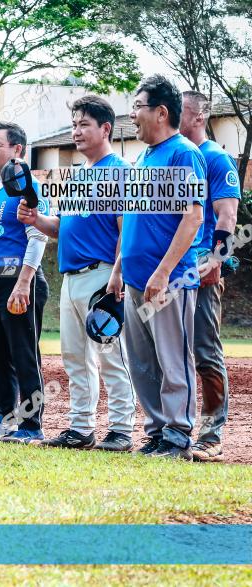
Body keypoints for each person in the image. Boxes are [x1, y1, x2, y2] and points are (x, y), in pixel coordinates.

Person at [18, 96, 136, 451]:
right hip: (70, 278)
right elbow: (63, 228)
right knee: (74, 358)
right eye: (74, 125)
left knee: (111, 356)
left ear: (105, 129)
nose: (76, 131)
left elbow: (125, 229)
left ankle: (120, 429)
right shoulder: (76, 177)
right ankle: (81, 428)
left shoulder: (120, 171)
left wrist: (118, 275)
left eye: (84, 124)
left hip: (103, 276)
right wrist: (37, 220)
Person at [111, 74, 206, 460]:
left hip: (170, 279)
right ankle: (156, 432)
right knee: (142, 362)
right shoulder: (143, 157)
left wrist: (164, 271)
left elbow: (193, 218)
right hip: (135, 276)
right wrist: (118, 269)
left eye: (138, 107)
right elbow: (131, 219)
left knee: (172, 358)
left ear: (161, 112)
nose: (132, 115)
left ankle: (178, 434)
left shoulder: (183, 153)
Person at [0, 121, 49, 443]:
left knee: (24, 355)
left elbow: (38, 235)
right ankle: (4, 418)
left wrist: (23, 282)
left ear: (17, 150)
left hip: (18, 280)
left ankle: (31, 425)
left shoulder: (28, 187)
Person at [179, 90, 240, 463]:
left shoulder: (215, 158)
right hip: (171, 269)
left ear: (199, 117)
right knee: (173, 352)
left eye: (179, 112)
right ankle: (173, 428)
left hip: (201, 267)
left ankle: (211, 434)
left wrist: (216, 261)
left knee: (204, 350)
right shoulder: (172, 157)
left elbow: (227, 215)